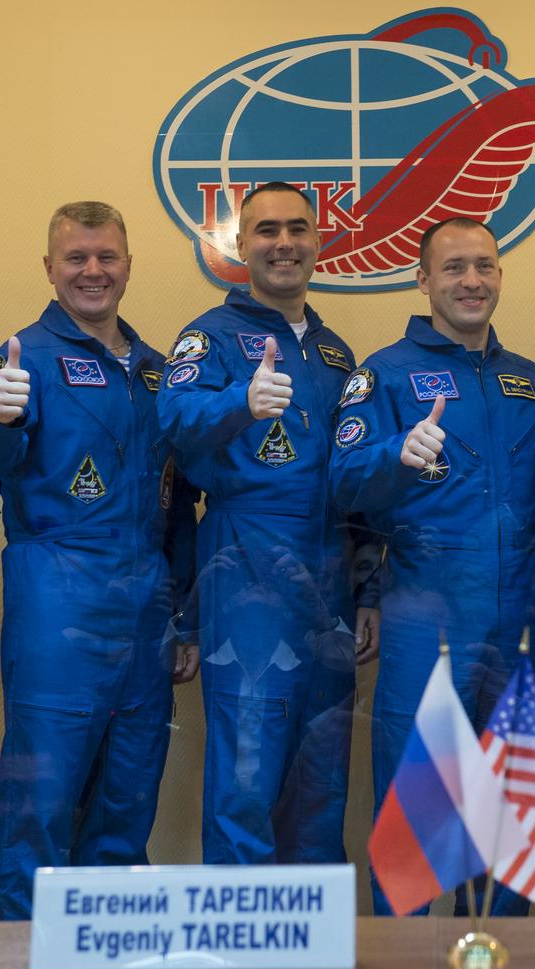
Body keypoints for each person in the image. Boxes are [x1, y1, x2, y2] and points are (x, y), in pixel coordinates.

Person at [0, 201, 196, 919]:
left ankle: (108, 954)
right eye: (76, 258)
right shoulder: (19, 359)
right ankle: (18, 956)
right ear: (50, 269)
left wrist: (183, 616)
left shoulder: (157, 371)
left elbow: (178, 506)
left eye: (107, 257)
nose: (93, 271)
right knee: (42, 803)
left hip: (146, 607)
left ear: (128, 264)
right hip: (58, 601)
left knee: (127, 800)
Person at [329, 217, 535, 915]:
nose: (471, 281)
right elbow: (341, 483)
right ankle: (405, 965)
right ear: (422, 280)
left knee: (508, 819)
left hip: (517, 618)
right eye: (453, 268)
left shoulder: (528, 381)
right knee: (418, 823)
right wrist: (395, 453)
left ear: (500, 276)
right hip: (428, 613)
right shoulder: (384, 374)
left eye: (484, 266)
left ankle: (501, 963)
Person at [158, 182, 376, 867]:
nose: (284, 243)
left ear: (319, 241)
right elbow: (173, 423)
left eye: (298, 229)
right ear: (239, 245)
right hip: (247, 566)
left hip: (330, 578)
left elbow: (359, 478)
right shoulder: (211, 337)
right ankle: (240, 962)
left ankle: (315, 960)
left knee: (322, 780)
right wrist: (239, 401)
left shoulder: (338, 354)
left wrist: (368, 589)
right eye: (266, 231)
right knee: (245, 779)